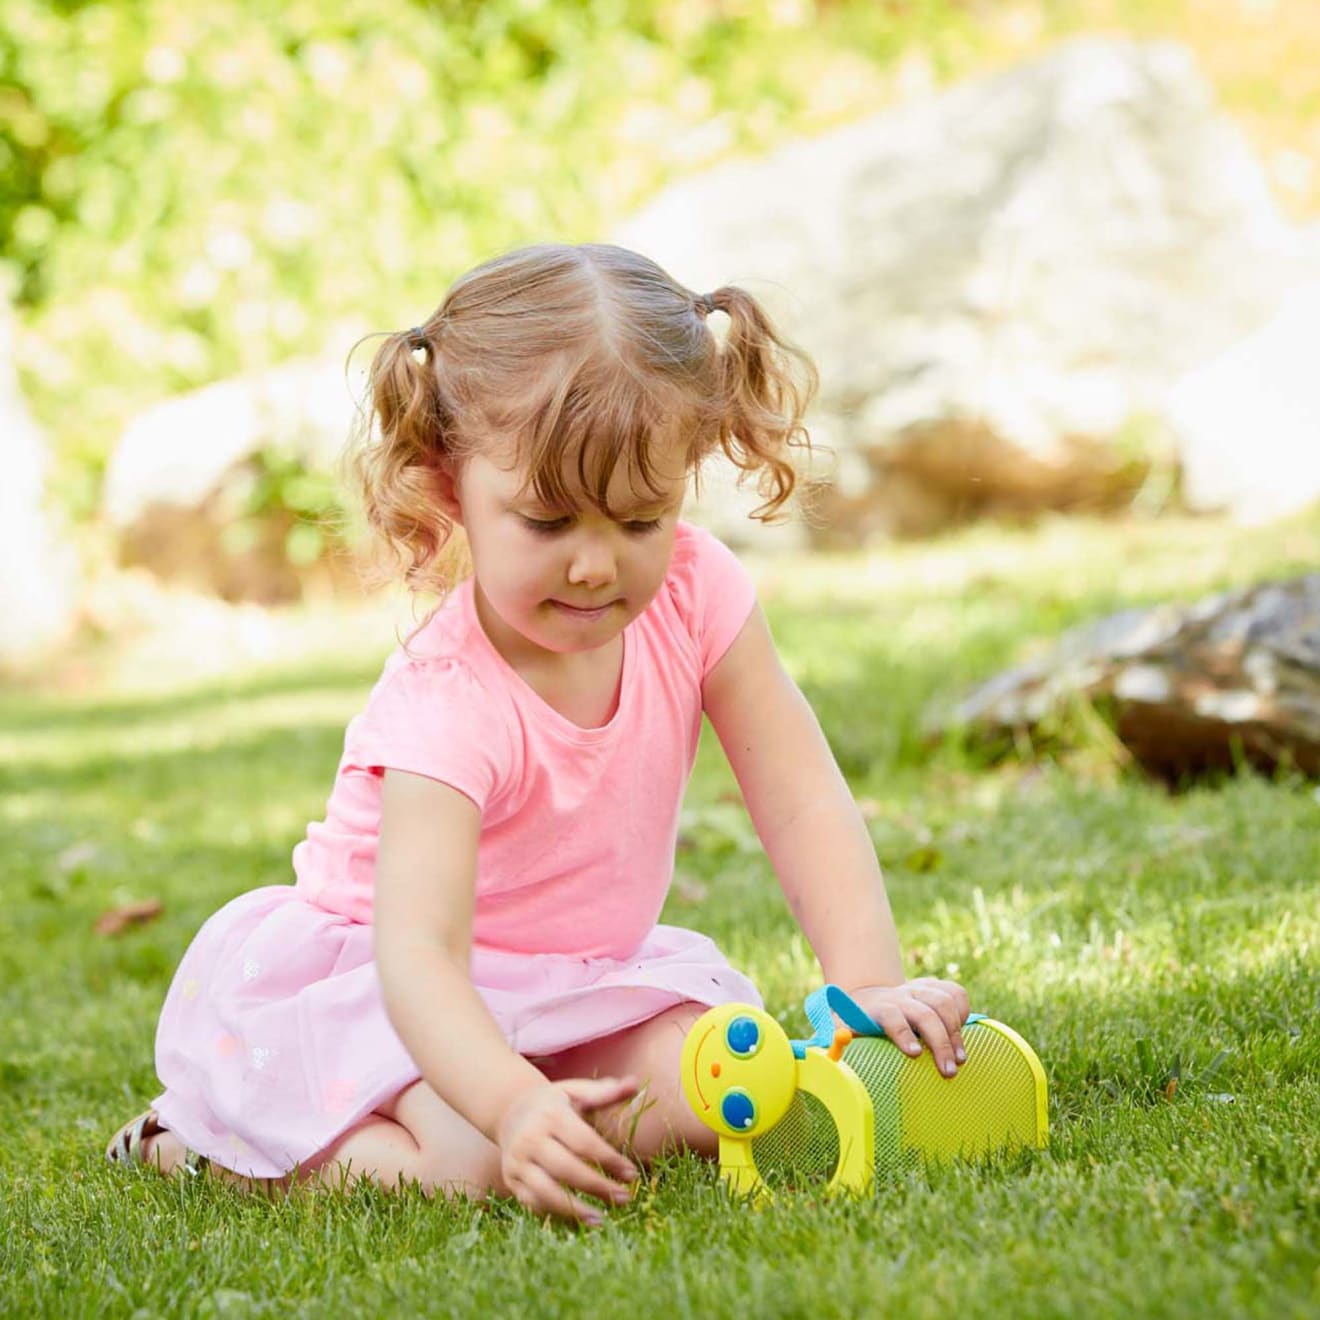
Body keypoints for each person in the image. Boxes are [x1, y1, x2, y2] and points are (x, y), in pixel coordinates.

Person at [106, 243, 970, 1225]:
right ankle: (191, 1150)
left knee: (724, 1073)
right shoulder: (447, 700)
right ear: (448, 484)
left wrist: (867, 990)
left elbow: (802, 798)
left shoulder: (695, 594)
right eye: (549, 521)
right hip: (394, 999)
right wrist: (513, 1103)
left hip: (574, 985)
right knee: (472, 1161)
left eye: (641, 520)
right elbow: (420, 956)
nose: (598, 565)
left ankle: (558, 1113)